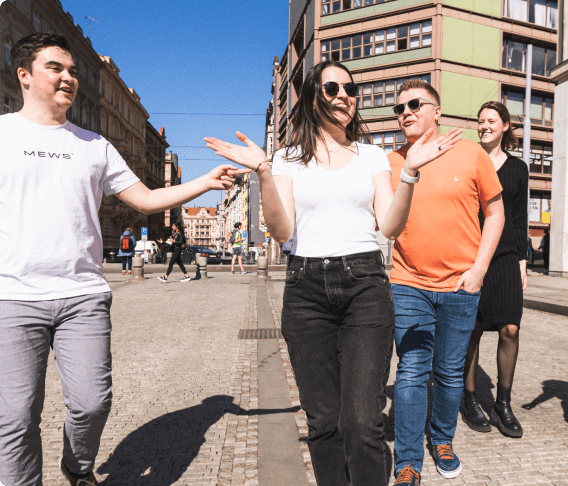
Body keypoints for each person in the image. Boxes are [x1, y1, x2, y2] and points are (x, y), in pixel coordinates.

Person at [204, 60, 461, 486]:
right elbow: (282, 229)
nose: (344, 94)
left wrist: (410, 174)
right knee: (324, 422)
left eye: (349, 88)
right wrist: (264, 173)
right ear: (312, 98)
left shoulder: (372, 155)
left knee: (363, 422)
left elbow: (390, 226)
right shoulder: (285, 159)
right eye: (331, 88)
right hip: (306, 290)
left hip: (365, 285)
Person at [0, 33, 235, 486]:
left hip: (82, 295)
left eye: (72, 70)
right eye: (56, 68)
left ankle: (77, 465)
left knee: (91, 403)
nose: (69, 77)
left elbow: (146, 199)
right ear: (24, 75)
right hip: (11, 296)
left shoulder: (95, 144)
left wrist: (205, 181)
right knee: (13, 417)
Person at [387, 81, 505, 484]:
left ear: (437, 111)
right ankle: (406, 461)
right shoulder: (392, 162)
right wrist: (410, 168)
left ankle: (441, 439)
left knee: (451, 372)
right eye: (399, 107)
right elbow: (385, 223)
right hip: (408, 282)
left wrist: (479, 271)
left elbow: (496, 214)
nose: (405, 111)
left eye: (415, 104)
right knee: (411, 371)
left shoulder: (471, 154)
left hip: (460, 285)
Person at [461, 102, 528, 439]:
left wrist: (522, 261)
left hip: (505, 258)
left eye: (490, 121)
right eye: (480, 120)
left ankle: (503, 403)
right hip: (469, 255)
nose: (484, 125)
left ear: (505, 125)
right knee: (471, 330)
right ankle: (469, 399)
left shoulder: (519, 169)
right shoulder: (469, 160)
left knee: (511, 329)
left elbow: (518, 218)